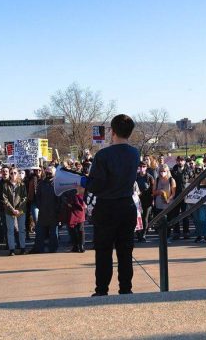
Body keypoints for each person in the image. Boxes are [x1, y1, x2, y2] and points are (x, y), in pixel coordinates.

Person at [87, 114, 139, 296]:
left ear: (112, 131)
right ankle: (126, 288)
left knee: (103, 251)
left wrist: (83, 184)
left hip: (106, 207)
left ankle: (102, 290)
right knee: (125, 251)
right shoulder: (135, 154)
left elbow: (96, 184)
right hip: (127, 205)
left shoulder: (103, 155)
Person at [32, 166, 60, 254]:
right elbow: (38, 197)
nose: (48, 174)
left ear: (54, 173)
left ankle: (53, 249)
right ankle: (40, 248)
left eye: (50, 172)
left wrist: (57, 209)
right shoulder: (42, 184)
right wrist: (40, 206)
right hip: (43, 212)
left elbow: (59, 198)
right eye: (47, 172)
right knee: (40, 232)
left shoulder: (57, 183)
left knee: (53, 233)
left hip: (53, 212)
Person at [2, 166, 28, 255]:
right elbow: (5, 199)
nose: (13, 174)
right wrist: (12, 209)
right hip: (10, 211)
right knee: (10, 230)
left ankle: (22, 247)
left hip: (20, 210)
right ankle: (12, 249)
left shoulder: (22, 185)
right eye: (12, 173)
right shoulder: (6, 185)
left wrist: (19, 209)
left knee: (21, 229)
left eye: (15, 173)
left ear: (18, 174)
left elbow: (24, 197)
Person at [170, 156, 194, 239]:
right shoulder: (172, 171)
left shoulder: (189, 170)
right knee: (175, 214)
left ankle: (186, 232)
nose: (180, 162)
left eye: (182, 160)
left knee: (185, 214)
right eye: (178, 160)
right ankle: (176, 232)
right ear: (176, 161)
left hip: (186, 195)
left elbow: (192, 181)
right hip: (175, 195)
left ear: (184, 161)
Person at [154, 164, 176, 242]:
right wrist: (159, 192)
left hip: (168, 203)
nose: (162, 173)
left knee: (168, 220)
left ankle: (168, 236)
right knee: (160, 220)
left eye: (164, 171)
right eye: (161, 171)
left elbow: (173, 193)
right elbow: (153, 192)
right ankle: (161, 236)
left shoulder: (171, 180)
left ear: (167, 171)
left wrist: (168, 199)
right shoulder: (157, 180)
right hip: (159, 203)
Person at [135, 161, 155, 243]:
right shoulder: (135, 176)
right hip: (137, 200)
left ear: (146, 167)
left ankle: (144, 234)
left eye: (144, 166)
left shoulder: (149, 177)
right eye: (140, 166)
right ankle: (138, 234)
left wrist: (153, 199)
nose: (142, 168)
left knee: (145, 218)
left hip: (147, 200)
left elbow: (153, 189)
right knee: (137, 217)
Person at [62, 186, 86, 253]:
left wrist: (67, 203)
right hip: (74, 210)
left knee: (75, 229)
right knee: (78, 229)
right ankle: (79, 246)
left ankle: (78, 246)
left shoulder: (67, 186)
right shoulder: (81, 185)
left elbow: (63, 196)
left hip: (73, 210)